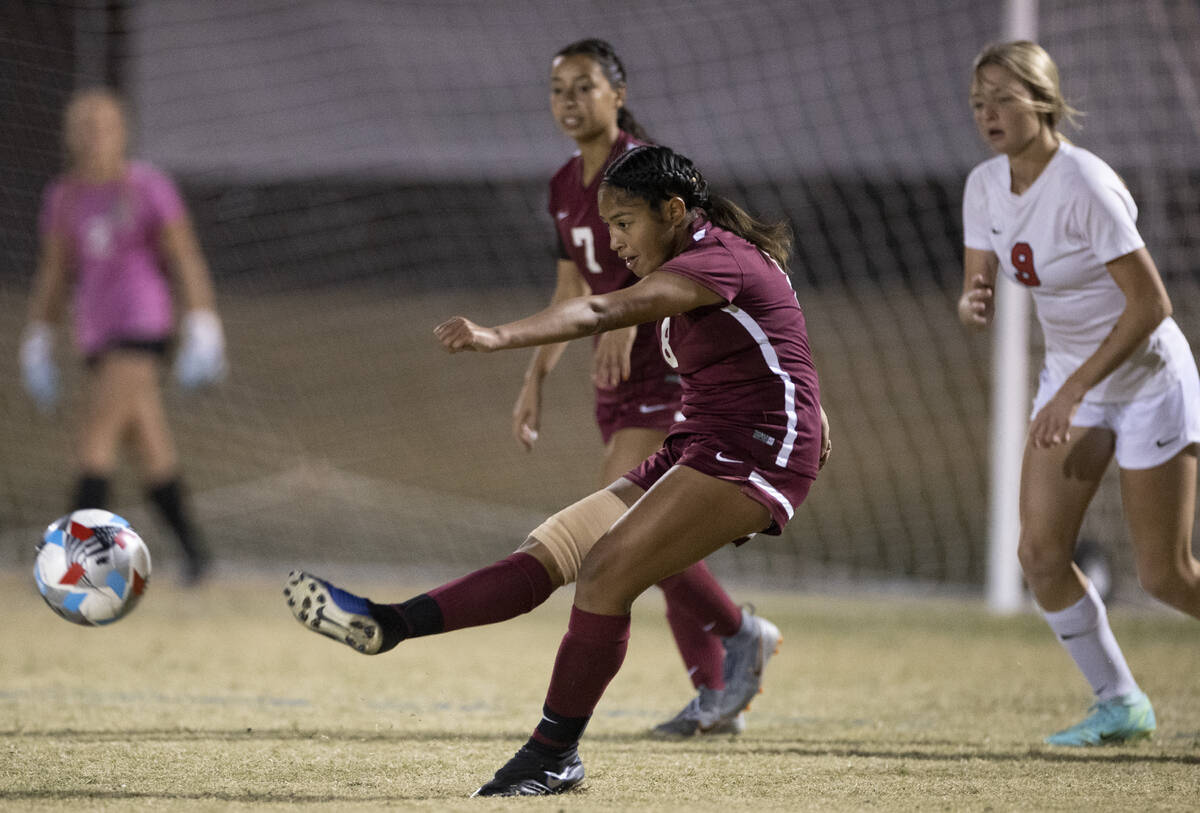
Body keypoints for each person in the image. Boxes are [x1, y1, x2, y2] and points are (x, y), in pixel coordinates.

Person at [286, 144, 829, 796]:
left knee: (605, 571)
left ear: (675, 210)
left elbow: (602, 310)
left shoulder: (718, 257)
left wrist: (497, 335)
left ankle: (553, 753)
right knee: (550, 549)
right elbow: (781, 346)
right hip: (702, 442)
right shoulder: (700, 256)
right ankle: (392, 623)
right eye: (610, 226)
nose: (616, 242)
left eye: (626, 223)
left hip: (757, 451)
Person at [514, 37, 775, 737]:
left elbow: (695, 260)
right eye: (558, 88)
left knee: (624, 530)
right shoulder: (562, 186)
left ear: (618, 94)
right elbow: (572, 284)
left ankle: (736, 639)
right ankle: (719, 678)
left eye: (585, 86)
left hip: (666, 366)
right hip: (612, 376)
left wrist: (632, 315)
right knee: (652, 539)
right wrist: (535, 375)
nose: (570, 101)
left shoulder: (649, 168)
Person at [959, 41, 1200, 746]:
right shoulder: (984, 185)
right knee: (1039, 552)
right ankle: (1120, 701)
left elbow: (1152, 304)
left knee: (1165, 573)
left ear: (1042, 100)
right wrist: (975, 301)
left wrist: (1074, 388)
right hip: (1076, 384)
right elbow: (979, 277)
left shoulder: (1086, 185)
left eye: (1003, 98)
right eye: (978, 103)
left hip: (1149, 382)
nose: (988, 115)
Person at [20, 87, 227, 585]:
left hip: (143, 326)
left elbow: (185, 257)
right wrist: (38, 335)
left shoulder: (149, 187)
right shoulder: (64, 196)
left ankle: (72, 565)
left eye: (105, 127)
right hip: (96, 333)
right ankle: (197, 554)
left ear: (122, 132)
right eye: (85, 128)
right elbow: (54, 273)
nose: (95, 138)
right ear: (71, 136)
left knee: (96, 440)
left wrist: (203, 321)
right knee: (149, 444)